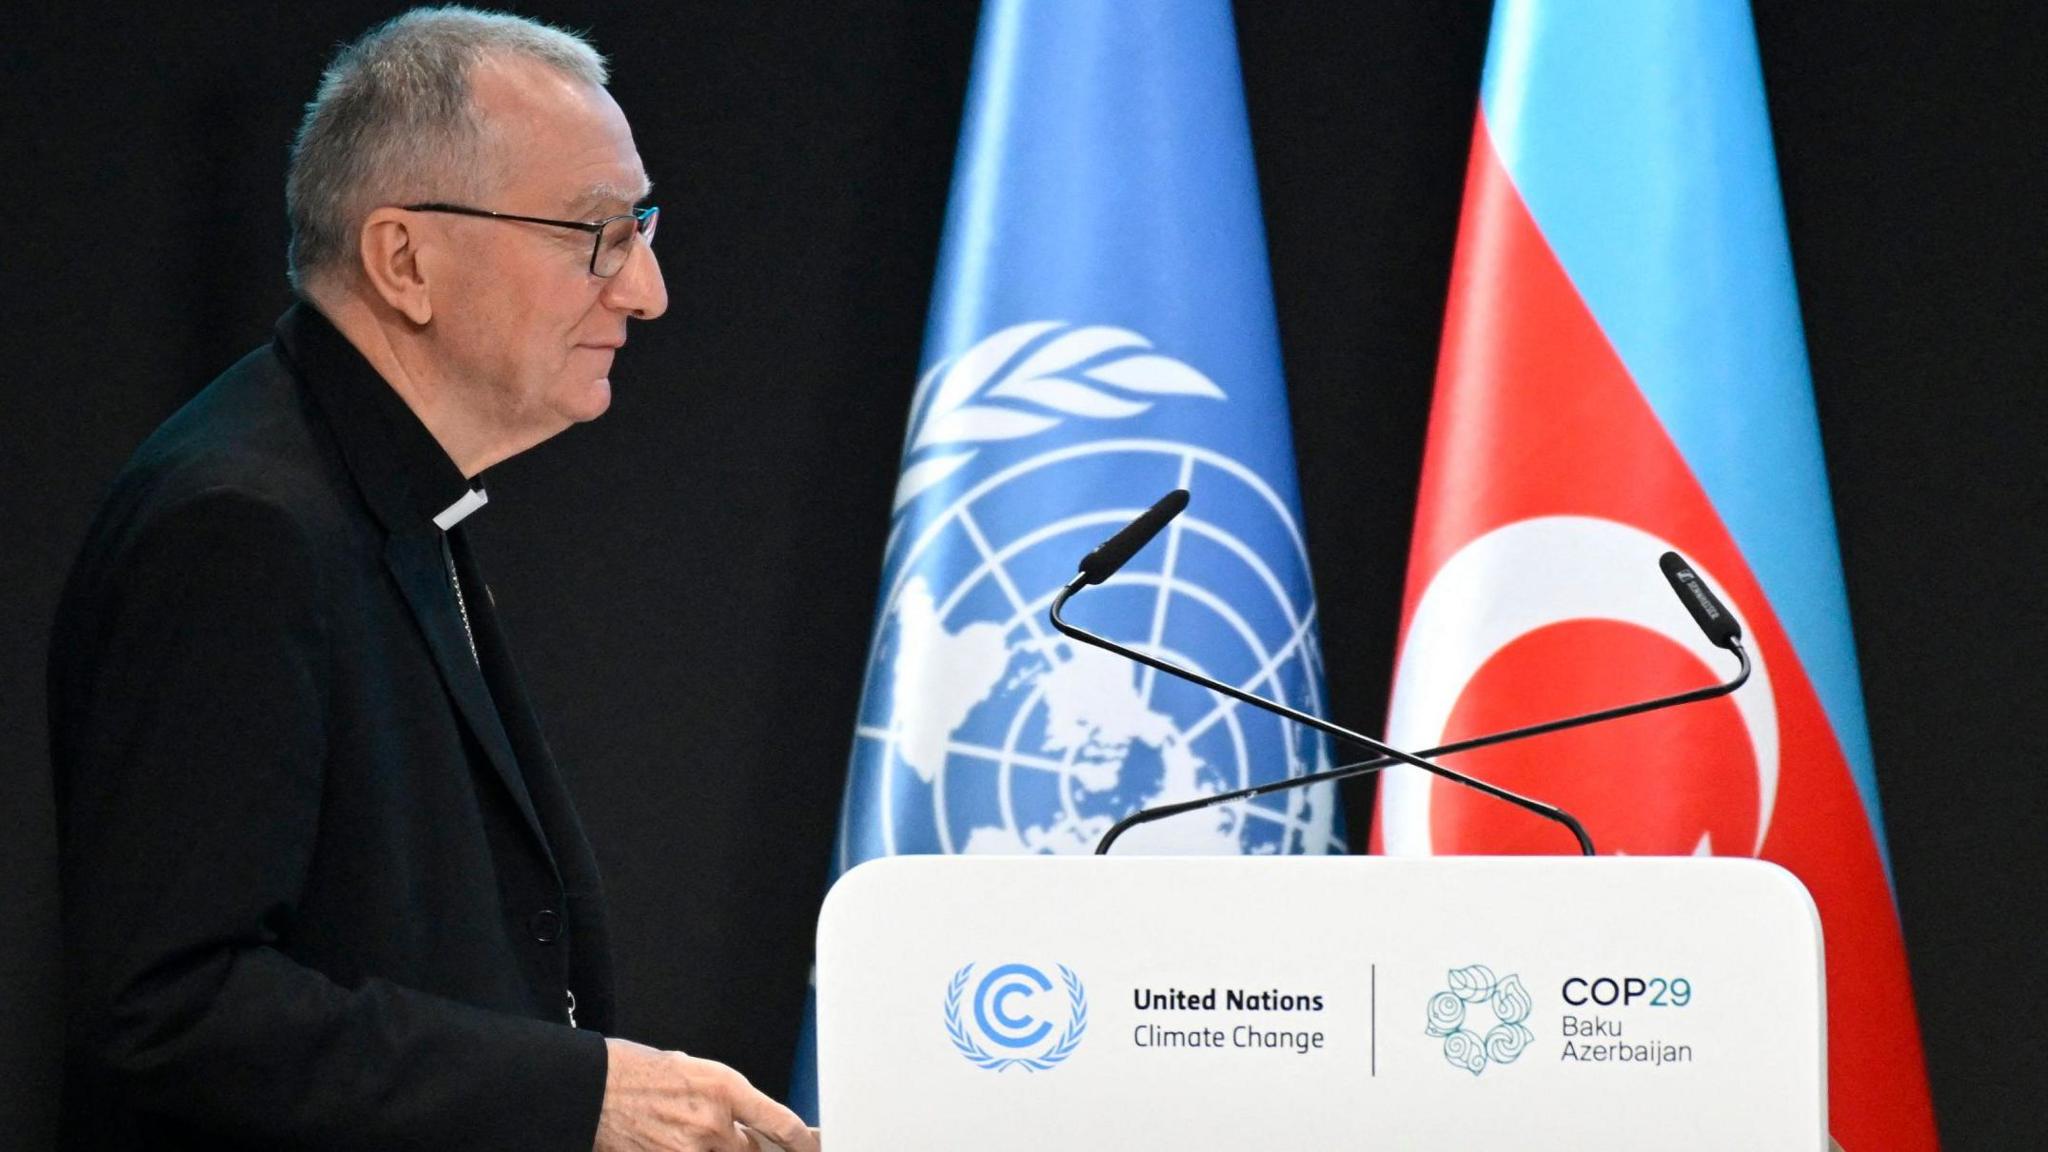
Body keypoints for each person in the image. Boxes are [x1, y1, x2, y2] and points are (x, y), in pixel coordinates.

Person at [46, 9, 818, 1151]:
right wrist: (579, 1096)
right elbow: (172, 1009)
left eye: (640, 224)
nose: (645, 288)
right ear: (404, 259)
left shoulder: (368, 485)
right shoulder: (240, 526)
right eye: (595, 231)